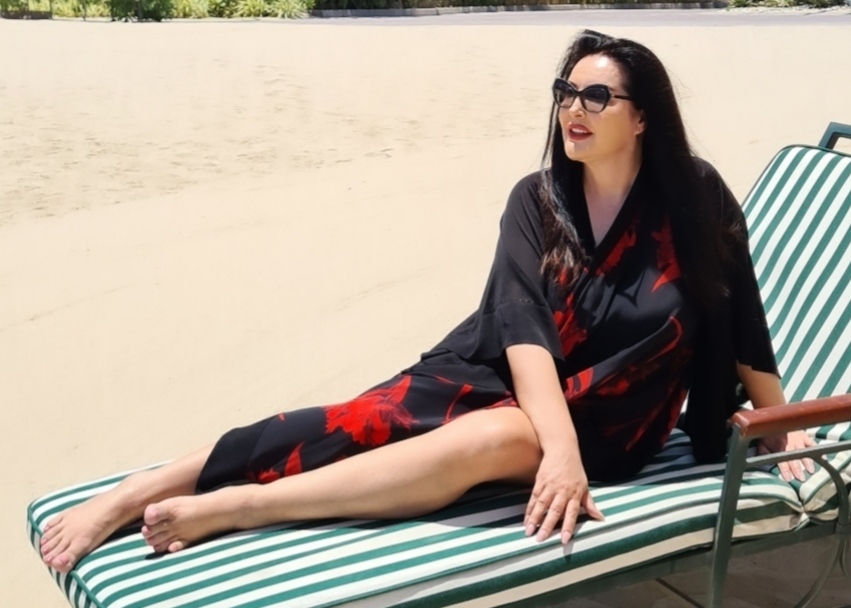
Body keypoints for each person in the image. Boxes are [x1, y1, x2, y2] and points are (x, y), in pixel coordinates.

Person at [39, 29, 815, 574]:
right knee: (351, 421)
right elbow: (521, 328)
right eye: (563, 92)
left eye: (594, 96)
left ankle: (241, 508)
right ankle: (139, 491)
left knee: (495, 440)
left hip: (615, 426)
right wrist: (558, 450)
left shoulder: (694, 198)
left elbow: (739, 317)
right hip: (502, 376)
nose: (572, 109)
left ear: (641, 117)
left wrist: (780, 425)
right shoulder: (536, 200)